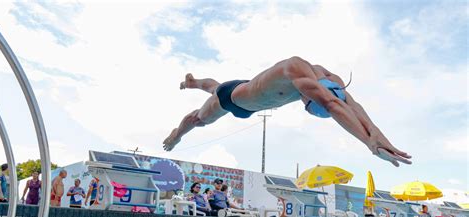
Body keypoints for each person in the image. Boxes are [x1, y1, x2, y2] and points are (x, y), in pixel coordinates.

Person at [163, 57, 412, 167]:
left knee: (211, 85)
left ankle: (193, 82)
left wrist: (375, 133)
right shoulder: (296, 69)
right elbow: (332, 105)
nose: (305, 105)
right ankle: (176, 135)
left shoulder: (331, 79)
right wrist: (367, 144)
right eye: (309, 105)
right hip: (233, 99)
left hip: (254, 99)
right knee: (199, 118)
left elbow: (351, 105)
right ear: (313, 93)